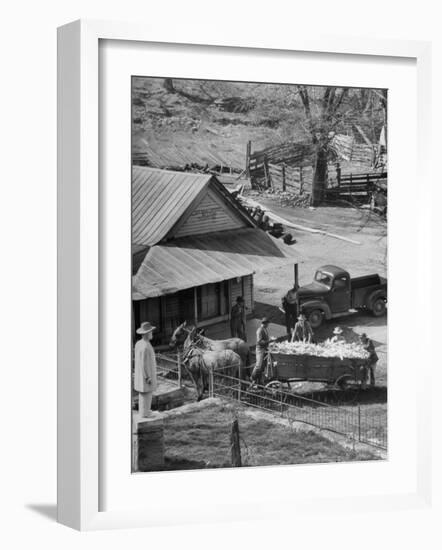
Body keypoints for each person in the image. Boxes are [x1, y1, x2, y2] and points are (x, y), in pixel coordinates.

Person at [134, 321, 158, 417]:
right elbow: (143, 364)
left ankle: (143, 411)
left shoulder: (139, 343)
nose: (152, 334)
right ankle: (145, 413)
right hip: (146, 375)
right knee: (147, 394)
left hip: (140, 375)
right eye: (151, 332)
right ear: (147, 334)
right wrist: (147, 377)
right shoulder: (145, 346)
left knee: (143, 395)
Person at [250, 317, 270, 386]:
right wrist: (269, 341)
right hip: (260, 349)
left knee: (263, 365)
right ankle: (252, 378)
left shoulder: (265, 329)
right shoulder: (260, 330)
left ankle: (260, 380)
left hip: (264, 349)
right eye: (267, 324)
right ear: (265, 324)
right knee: (258, 365)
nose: (268, 325)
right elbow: (259, 341)